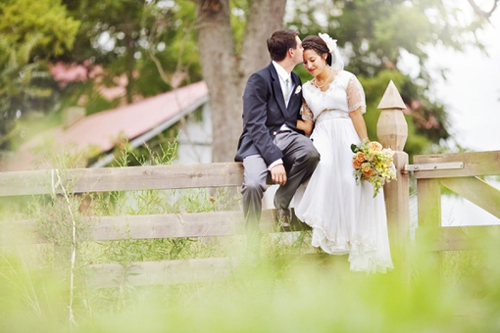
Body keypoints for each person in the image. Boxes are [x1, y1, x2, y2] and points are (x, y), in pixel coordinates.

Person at [294, 33, 393, 273]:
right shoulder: (306, 90)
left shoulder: (347, 80)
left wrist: (367, 145)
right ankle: (329, 234)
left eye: (313, 60)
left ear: (325, 56)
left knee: (350, 182)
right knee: (324, 168)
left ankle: (353, 239)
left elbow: (355, 115)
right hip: (323, 135)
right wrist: (276, 121)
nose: (308, 66)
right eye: (305, 62)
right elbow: (307, 125)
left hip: (346, 134)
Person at [235, 29, 320, 254]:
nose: (304, 50)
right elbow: (254, 125)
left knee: (311, 154)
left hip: (289, 138)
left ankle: (282, 200)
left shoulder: (296, 80)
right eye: (301, 47)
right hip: (258, 141)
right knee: (253, 184)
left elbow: (292, 119)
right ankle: (251, 241)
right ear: (292, 52)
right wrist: (275, 161)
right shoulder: (258, 79)